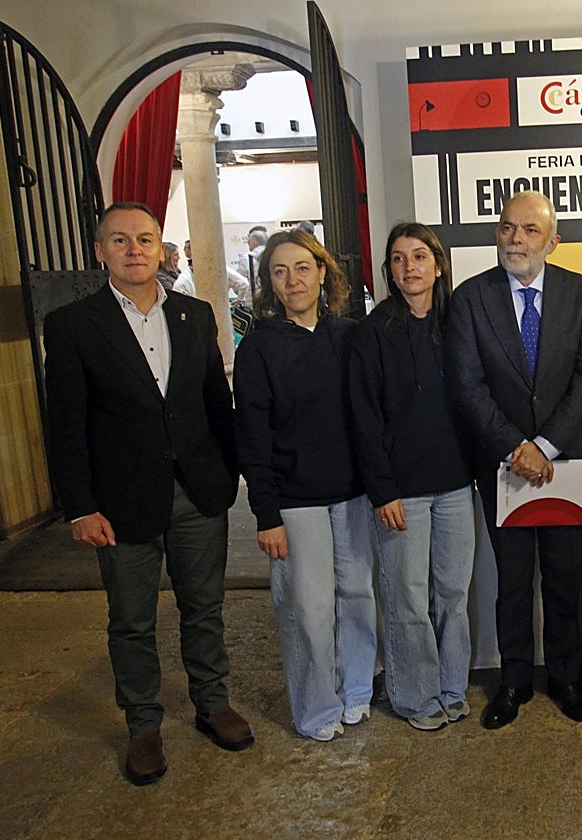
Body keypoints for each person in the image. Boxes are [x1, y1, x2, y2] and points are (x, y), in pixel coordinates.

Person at [43, 202, 252, 787]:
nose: (134, 249)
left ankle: (212, 703)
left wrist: (230, 473)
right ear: (99, 251)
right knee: (132, 619)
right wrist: (80, 505)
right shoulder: (72, 326)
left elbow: (216, 403)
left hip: (198, 493)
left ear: (162, 248)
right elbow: (64, 424)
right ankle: (143, 725)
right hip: (119, 501)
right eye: (120, 240)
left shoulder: (194, 314)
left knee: (204, 607)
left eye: (145, 238)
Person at [446, 190, 582, 730]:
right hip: (502, 466)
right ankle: (514, 679)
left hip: (567, 464)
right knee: (511, 580)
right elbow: (467, 386)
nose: (515, 239)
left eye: (529, 230)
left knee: (565, 575)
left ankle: (565, 677)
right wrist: (518, 448)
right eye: (507, 228)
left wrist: (546, 447)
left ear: (553, 241)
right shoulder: (470, 299)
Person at [232, 229, 375, 743]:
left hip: (354, 493)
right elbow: (251, 437)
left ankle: (356, 690)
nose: (292, 280)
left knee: (358, 596)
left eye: (302, 268)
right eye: (279, 271)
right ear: (269, 283)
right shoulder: (259, 349)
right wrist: (265, 513)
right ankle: (316, 708)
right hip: (296, 502)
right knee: (309, 609)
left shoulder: (349, 335)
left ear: (323, 274)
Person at [350, 222, 475, 732]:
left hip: (456, 488)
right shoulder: (372, 334)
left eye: (419, 256)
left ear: (438, 265)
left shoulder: (459, 325)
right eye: (398, 259)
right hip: (402, 493)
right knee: (407, 599)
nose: (410, 268)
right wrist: (383, 490)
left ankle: (451, 687)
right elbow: (365, 419)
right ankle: (415, 697)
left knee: (452, 595)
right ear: (388, 271)